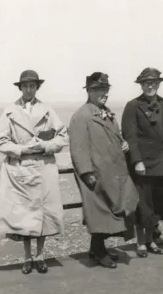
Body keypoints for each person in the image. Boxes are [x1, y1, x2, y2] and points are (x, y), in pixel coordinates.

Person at [0, 70, 68, 274]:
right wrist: (22, 149)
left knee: (42, 214)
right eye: (25, 85)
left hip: (43, 167)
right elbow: (0, 141)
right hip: (20, 169)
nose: (29, 89)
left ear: (37, 87)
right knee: (24, 214)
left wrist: (45, 146)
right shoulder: (9, 111)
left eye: (32, 86)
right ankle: (27, 257)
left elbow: (62, 137)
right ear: (20, 87)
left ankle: (41, 255)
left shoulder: (47, 110)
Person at [69, 72, 139, 269]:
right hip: (95, 174)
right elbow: (78, 148)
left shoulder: (106, 112)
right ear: (90, 91)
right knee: (99, 213)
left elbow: (114, 137)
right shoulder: (81, 116)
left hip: (113, 172)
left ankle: (96, 249)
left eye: (106, 90)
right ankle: (99, 252)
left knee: (117, 207)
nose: (104, 93)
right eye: (100, 90)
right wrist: (87, 173)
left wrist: (123, 143)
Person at [121, 67, 163, 257]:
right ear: (141, 85)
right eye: (146, 83)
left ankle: (152, 240)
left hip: (162, 163)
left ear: (159, 84)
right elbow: (130, 136)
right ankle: (141, 242)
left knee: (157, 203)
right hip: (142, 164)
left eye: (154, 82)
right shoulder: (132, 106)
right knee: (143, 203)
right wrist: (137, 161)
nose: (150, 86)